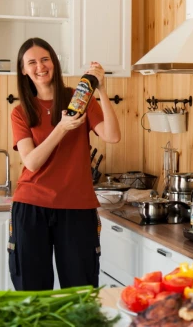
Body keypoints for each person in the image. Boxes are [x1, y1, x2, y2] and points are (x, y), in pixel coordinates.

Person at [8, 37, 121, 290]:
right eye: (32, 62)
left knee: (81, 290)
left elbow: (112, 136)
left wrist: (100, 89)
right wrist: (61, 128)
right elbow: (32, 162)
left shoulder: (79, 99)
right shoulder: (21, 112)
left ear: (54, 63)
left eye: (45, 59)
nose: (40, 66)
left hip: (77, 208)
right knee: (33, 293)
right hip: (31, 207)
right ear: (24, 70)